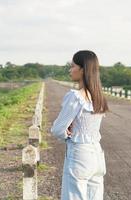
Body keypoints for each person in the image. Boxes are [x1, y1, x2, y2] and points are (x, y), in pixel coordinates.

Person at [50, 50, 109, 200]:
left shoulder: (75, 97)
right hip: (97, 155)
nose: (70, 70)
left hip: (79, 154)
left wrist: (67, 134)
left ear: (83, 69)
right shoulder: (98, 97)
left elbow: (58, 129)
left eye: (72, 66)